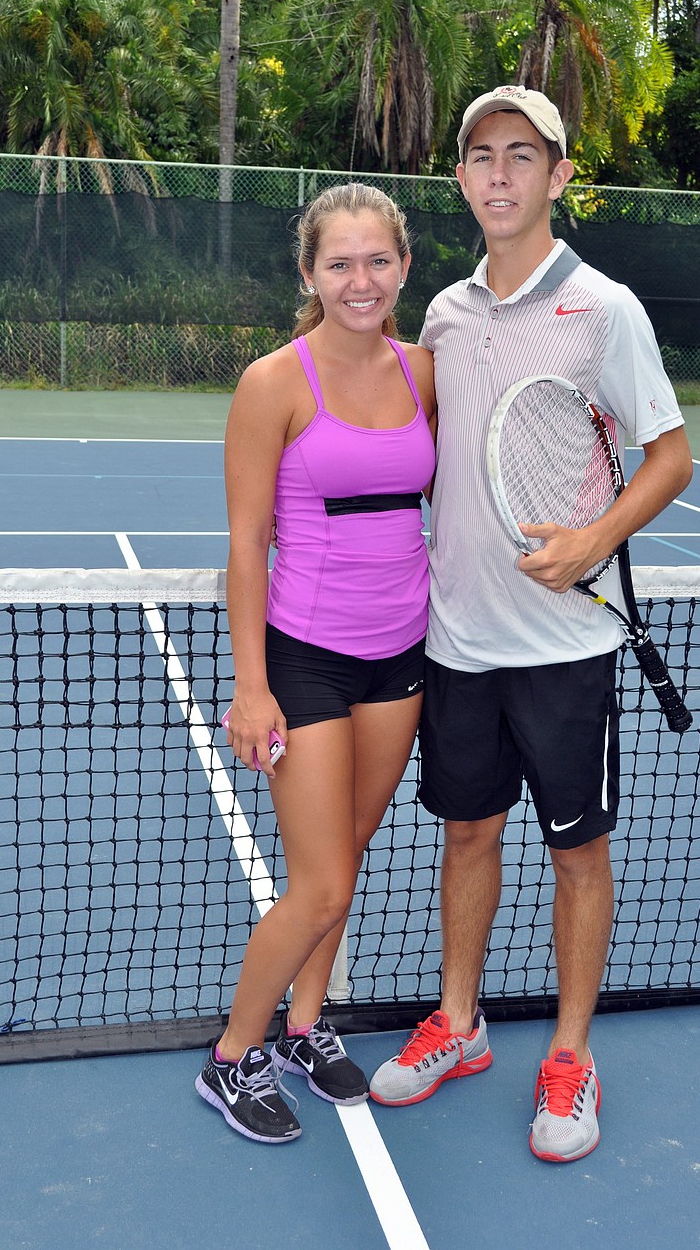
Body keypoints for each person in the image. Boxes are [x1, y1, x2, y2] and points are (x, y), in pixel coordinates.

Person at [368, 86, 693, 1163]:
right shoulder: (447, 314)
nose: (499, 173)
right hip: (455, 640)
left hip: (565, 649)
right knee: (466, 833)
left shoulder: (605, 308)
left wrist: (594, 537)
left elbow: (670, 456)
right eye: (481, 157)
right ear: (461, 181)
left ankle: (567, 1052)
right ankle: (459, 1026)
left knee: (576, 854)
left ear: (558, 177)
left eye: (522, 155)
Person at [196, 183, 436, 1143]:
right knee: (323, 881)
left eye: (378, 259)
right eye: (339, 262)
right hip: (305, 659)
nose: (361, 279)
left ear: (405, 266)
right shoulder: (273, 383)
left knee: (350, 856)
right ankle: (230, 1057)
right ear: (309, 274)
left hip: (401, 656)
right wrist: (251, 686)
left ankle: (304, 1022)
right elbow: (246, 542)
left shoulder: (425, 372)